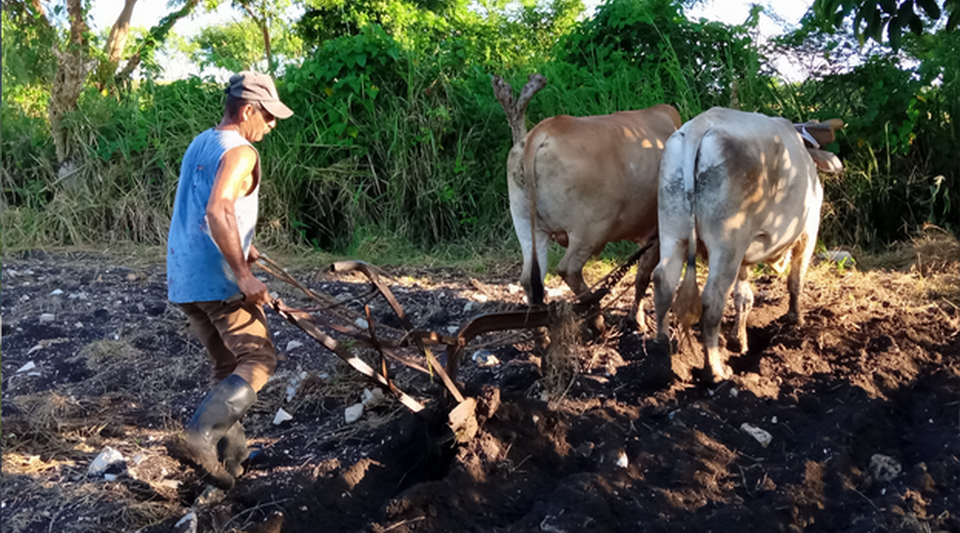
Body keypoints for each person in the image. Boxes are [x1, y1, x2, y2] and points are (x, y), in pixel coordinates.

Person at [166, 71, 293, 490]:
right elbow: (217, 210)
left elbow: (207, 209)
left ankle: (231, 458)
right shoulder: (241, 152)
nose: (271, 126)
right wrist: (242, 273)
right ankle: (199, 437)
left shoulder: (202, 142)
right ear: (248, 110)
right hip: (219, 281)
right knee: (259, 360)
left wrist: (243, 246)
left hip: (185, 278)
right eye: (268, 116)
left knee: (226, 364)